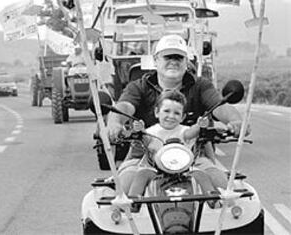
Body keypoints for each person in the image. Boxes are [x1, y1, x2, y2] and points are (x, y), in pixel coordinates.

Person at [107, 34, 249, 201]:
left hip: (194, 156)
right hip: (143, 157)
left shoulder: (201, 85)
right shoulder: (138, 87)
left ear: (186, 62)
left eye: (179, 57)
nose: (173, 61)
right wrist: (115, 124)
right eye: (168, 56)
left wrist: (236, 121)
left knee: (226, 192)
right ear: (155, 60)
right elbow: (124, 107)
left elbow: (219, 106)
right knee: (120, 195)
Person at [120, 90, 223, 209]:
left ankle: (213, 200)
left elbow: (192, 132)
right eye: (166, 111)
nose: (171, 116)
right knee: (142, 174)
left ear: (183, 117)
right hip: (156, 170)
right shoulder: (151, 132)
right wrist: (140, 129)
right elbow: (145, 138)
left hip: (184, 170)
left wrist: (200, 125)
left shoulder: (184, 131)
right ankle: (133, 202)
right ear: (157, 112)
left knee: (200, 174)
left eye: (176, 113)